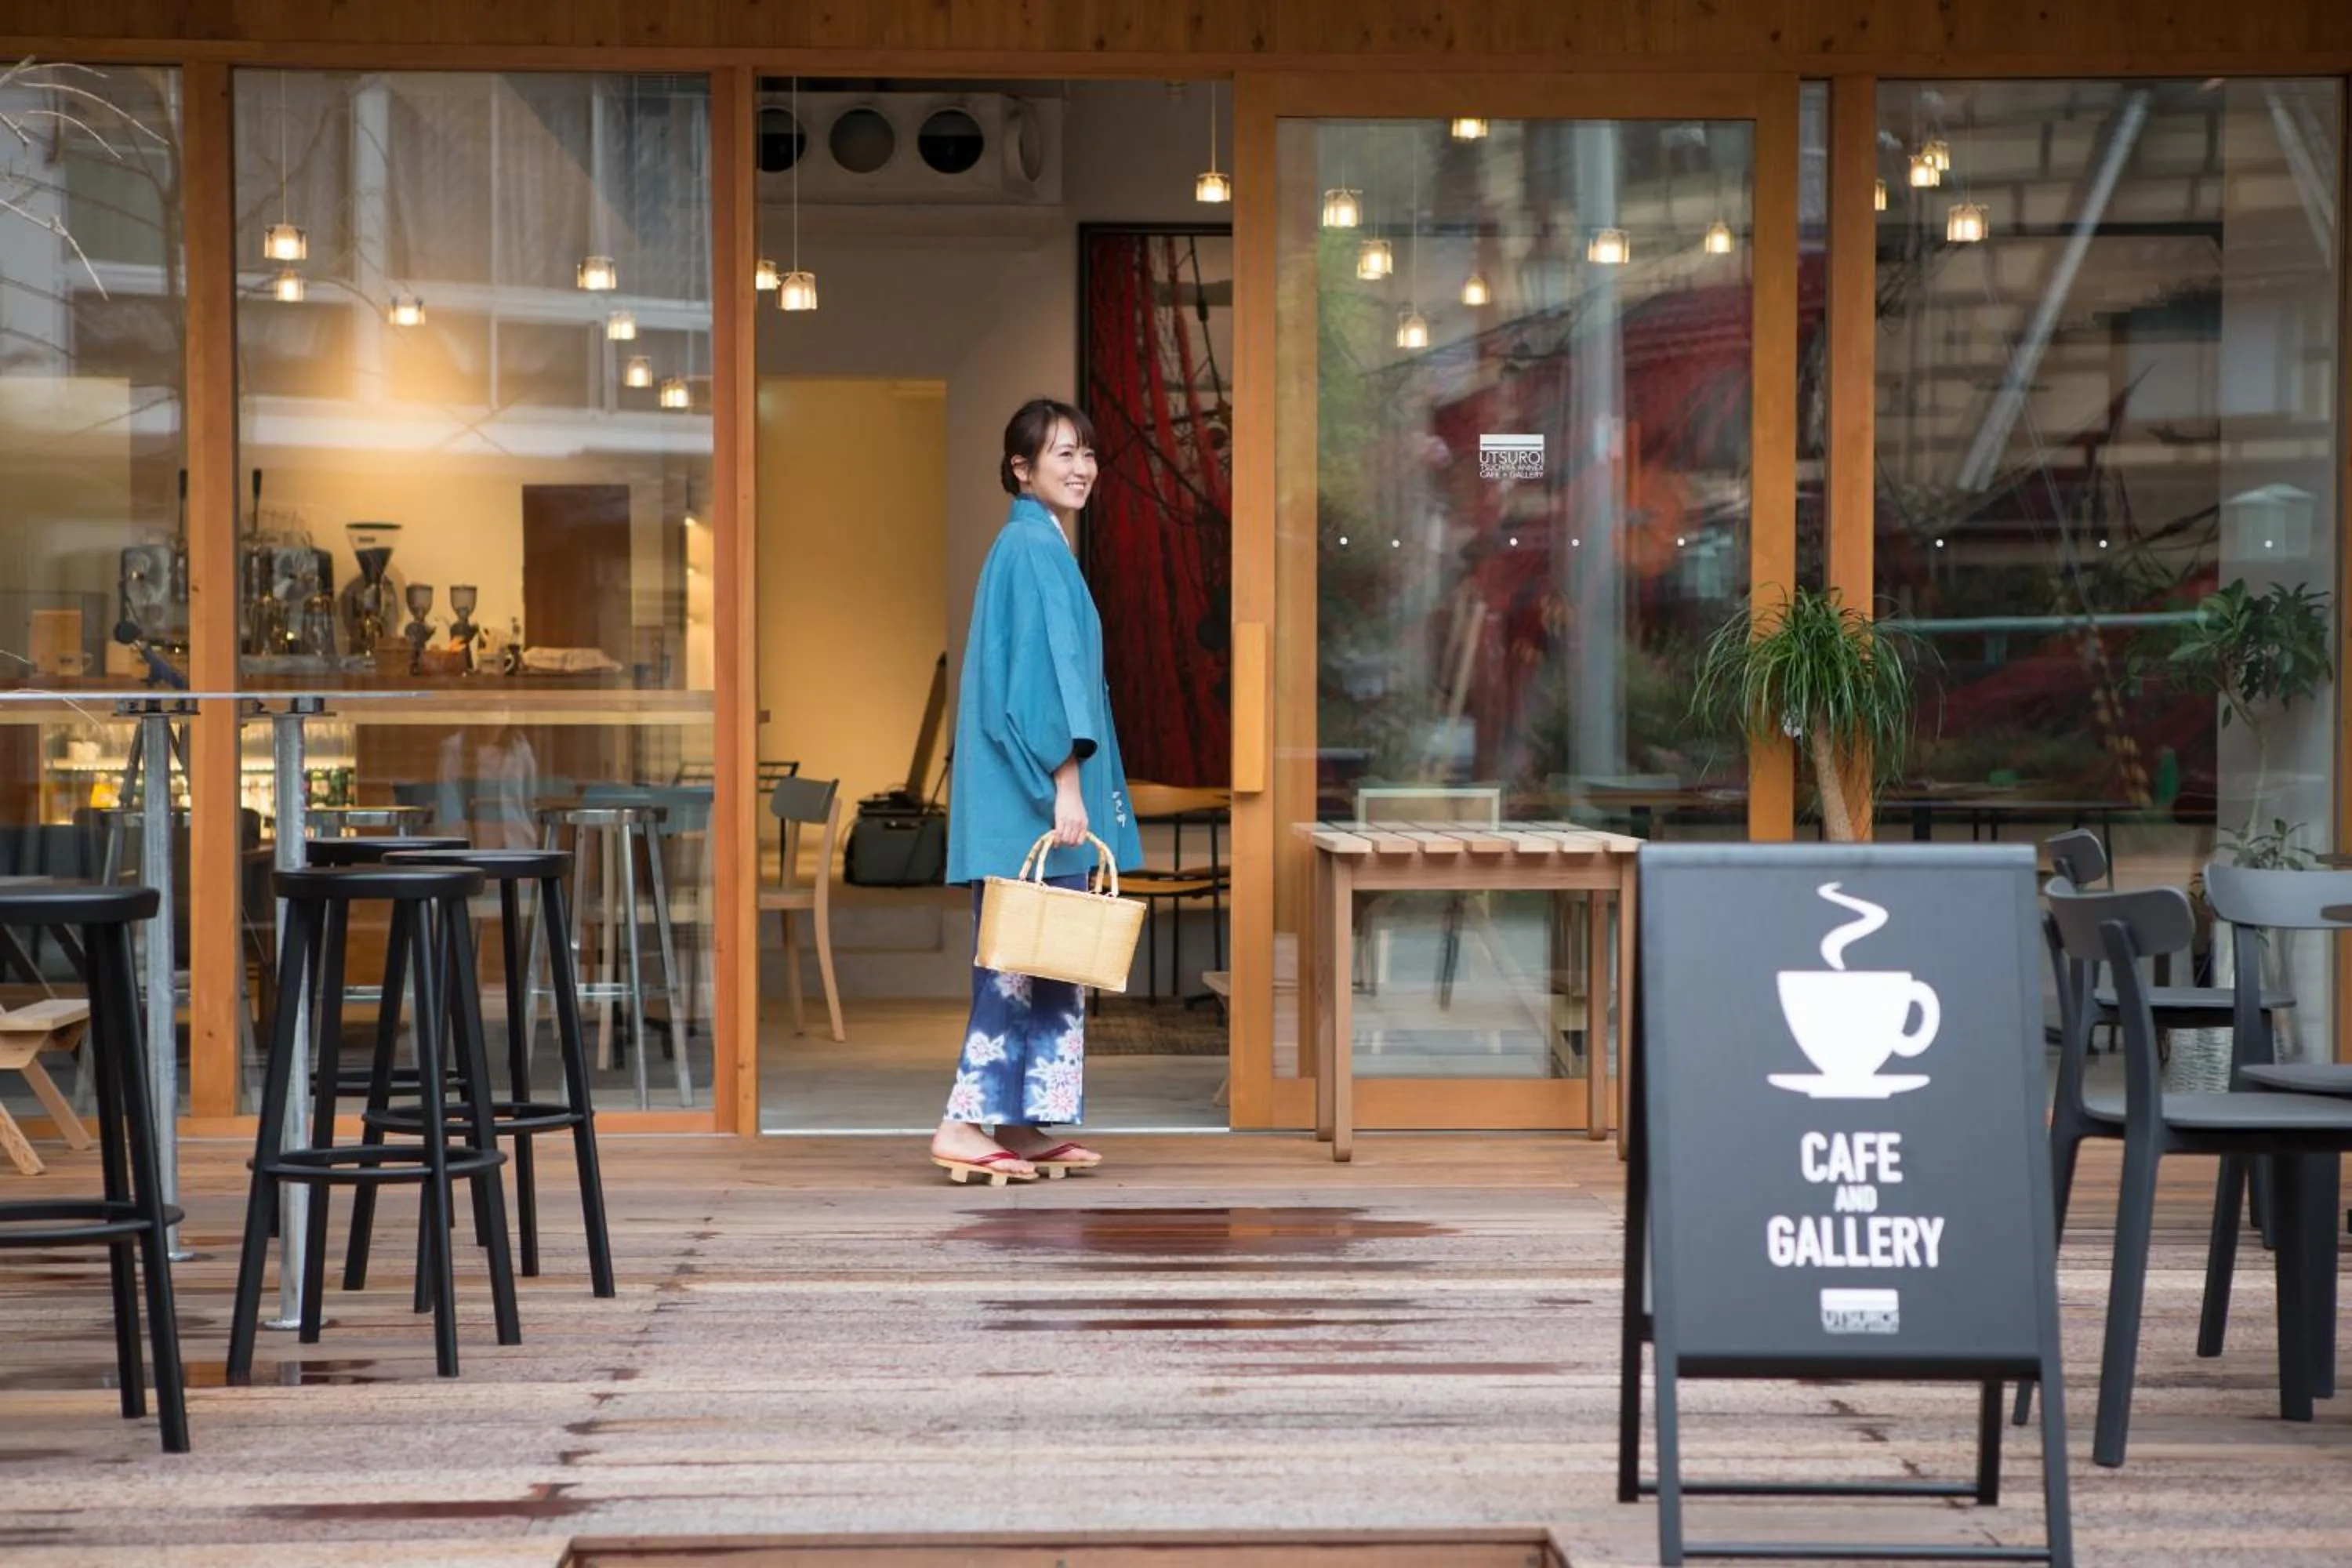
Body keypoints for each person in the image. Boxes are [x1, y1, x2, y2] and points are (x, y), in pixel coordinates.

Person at [930, 399, 1142, 1184]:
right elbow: (1046, 682)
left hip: (1032, 789)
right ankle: (962, 1121)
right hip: (1039, 792)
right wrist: (1067, 783)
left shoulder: (1033, 544)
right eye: (1063, 454)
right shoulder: (1030, 548)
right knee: (1017, 960)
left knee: (1047, 956)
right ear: (1021, 468)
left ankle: (1020, 1119)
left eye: (1088, 452)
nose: (1082, 467)